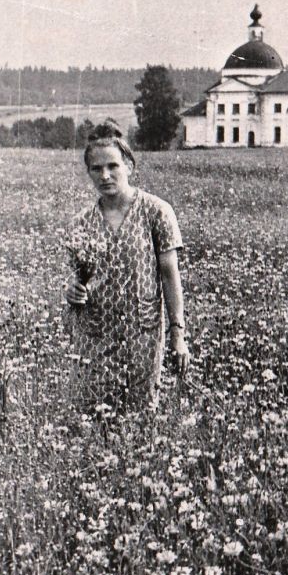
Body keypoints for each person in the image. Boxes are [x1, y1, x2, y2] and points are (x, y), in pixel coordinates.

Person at [64, 120, 189, 419]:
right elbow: (76, 276)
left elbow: (170, 277)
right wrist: (70, 289)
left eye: (113, 166)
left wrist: (178, 334)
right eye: (96, 169)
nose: (105, 175)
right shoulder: (81, 223)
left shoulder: (157, 212)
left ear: (129, 166)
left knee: (141, 420)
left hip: (141, 337)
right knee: (94, 420)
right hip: (93, 336)